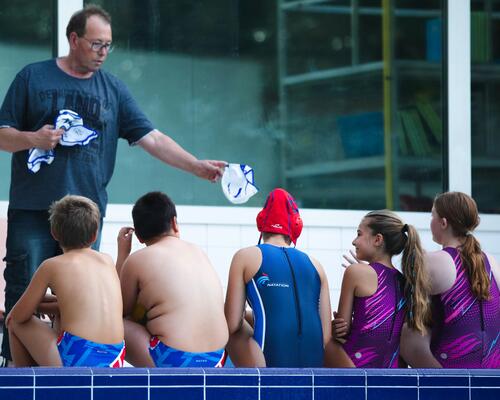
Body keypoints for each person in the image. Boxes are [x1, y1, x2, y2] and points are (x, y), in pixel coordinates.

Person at [0, 4, 226, 363]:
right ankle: (15, 370)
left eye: (108, 45)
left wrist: (196, 167)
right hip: (33, 207)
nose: (103, 53)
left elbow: (151, 138)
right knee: (24, 284)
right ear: (73, 39)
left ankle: (66, 367)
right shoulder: (33, 77)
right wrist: (33, 139)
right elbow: (3, 136)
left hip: (86, 213)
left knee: (79, 295)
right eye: (96, 44)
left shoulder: (113, 90)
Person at [6, 195, 125, 367]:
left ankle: (28, 386)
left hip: (77, 356)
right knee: (61, 315)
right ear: (94, 236)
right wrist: (55, 305)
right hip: (115, 358)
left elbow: (20, 315)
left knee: (13, 322)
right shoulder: (107, 260)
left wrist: (39, 303)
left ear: (54, 233)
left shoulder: (52, 265)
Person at [116, 191, 228, 367]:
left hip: (174, 359)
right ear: (174, 223)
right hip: (217, 358)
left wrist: (122, 254)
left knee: (116, 322)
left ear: (138, 236)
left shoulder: (137, 259)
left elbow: (120, 309)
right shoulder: (198, 251)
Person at [224, 188, 332, 367]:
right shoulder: (317, 266)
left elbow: (232, 325)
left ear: (261, 222)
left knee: (225, 314)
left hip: (267, 362)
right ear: (296, 227)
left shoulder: (246, 256)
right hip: (314, 363)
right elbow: (325, 337)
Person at [400, 192, 500, 368]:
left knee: (407, 333)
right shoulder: (491, 262)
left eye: (432, 215)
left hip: (452, 370)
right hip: (493, 371)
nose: (430, 221)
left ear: (443, 223)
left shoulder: (437, 261)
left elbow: (398, 306)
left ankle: (440, 384)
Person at [324, 210, 430, 368]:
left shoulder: (355, 272)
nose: (354, 241)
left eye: (359, 234)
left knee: (325, 342)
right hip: (392, 370)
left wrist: (335, 328)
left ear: (378, 239)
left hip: (356, 364)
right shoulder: (406, 281)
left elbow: (341, 332)